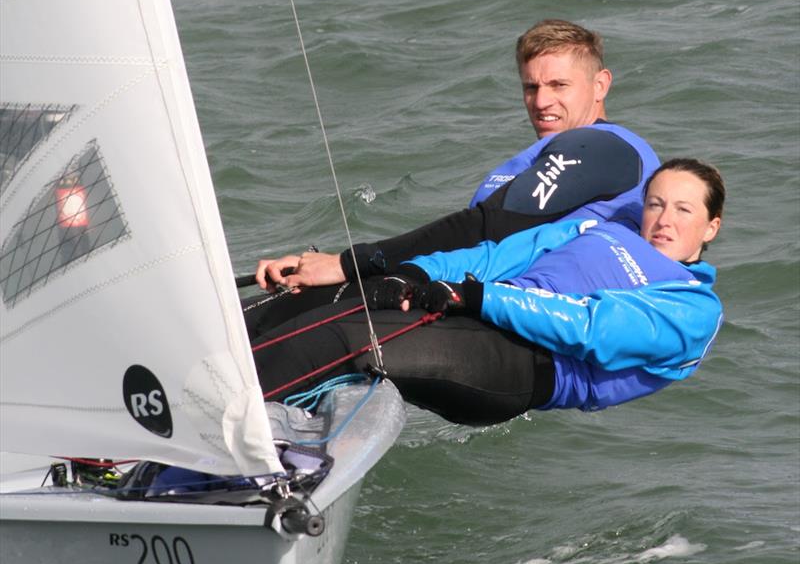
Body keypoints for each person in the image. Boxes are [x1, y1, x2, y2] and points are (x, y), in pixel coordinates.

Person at [252, 160, 725, 424]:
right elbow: (494, 259)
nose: (664, 220)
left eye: (683, 210)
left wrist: (474, 298)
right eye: (656, 204)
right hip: (474, 312)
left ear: (711, 227)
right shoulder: (601, 229)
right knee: (320, 305)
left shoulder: (692, 308)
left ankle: (213, 446)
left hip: (523, 363)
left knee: (344, 341)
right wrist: (414, 275)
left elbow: (588, 326)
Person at [252, 21, 659, 314]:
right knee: (286, 299)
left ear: (601, 84)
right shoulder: (543, 155)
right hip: (461, 293)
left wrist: (346, 264)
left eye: (559, 86)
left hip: (521, 317)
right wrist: (318, 268)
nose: (541, 102)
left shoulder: (604, 148)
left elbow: (486, 226)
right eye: (531, 87)